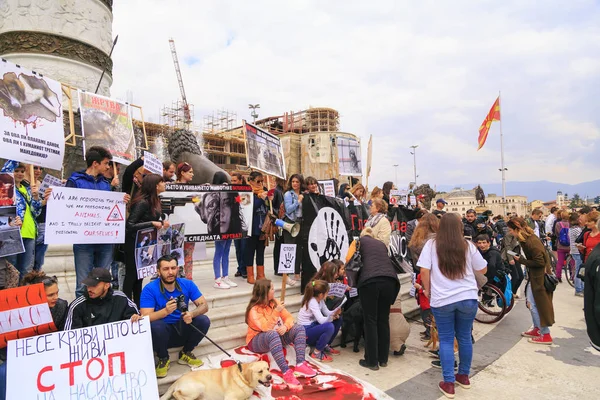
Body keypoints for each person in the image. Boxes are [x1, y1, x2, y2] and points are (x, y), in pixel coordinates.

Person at [417, 213, 487, 398]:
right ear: (459, 227)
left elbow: (424, 270)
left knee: (446, 340)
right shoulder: (468, 246)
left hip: (442, 299)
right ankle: (463, 376)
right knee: (464, 337)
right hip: (468, 298)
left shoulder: (432, 245)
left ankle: (448, 383)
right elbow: (483, 268)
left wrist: (427, 290)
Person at [65, 146, 129, 297]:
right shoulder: (75, 181)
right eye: (106, 163)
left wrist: (120, 201)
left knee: (104, 280)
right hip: (84, 240)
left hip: (105, 240)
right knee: (83, 283)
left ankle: (103, 314)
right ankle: (81, 316)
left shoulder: (105, 184)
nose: (108, 167)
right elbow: (67, 208)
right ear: (95, 163)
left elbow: (108, 208)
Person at [140, 255, 211, 378]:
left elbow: (204, 305)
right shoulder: (149, 289)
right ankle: (163, 358)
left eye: (173, 268)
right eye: (166, 269)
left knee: (203, 320)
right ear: (158, 271)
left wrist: (192, 313)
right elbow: (145, 317)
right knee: (156, 326)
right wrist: (165, 311)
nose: (170, 272)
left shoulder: (187, 284)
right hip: (162, 334)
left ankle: (186, 352)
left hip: (182, 327)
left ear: (178, 269)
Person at [347, 227, 400, 371]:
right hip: (390, 281)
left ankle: (371, 361)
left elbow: (348, 260)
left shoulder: (358, 242)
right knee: (383, 320)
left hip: (370, 281)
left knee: (370, 320)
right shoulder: (381, 244)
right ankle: (383, 359)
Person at [245, 279, 316, 387]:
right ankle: (286, 372)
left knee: (299, 328)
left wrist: (285, 326)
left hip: (275, 335)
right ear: (265, 292)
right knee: (272, 334)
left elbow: (289, 317)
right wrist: (276, 311)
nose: (274, 290)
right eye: (272, 289)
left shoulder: (274, 302)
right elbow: (266, 328)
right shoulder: (254, 310)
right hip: (256, 340)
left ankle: (301, 363)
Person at [508, 218, 555, 345]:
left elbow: (540, 262)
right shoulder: (528, 239)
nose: (510, 232)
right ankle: (538, 328)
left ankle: (545, 333)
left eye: (511, 230)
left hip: (539, 278)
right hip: (535, 276)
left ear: (518, 229)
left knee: (535, 304)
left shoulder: (531, 242)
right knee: (532, 302)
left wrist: (522, 261)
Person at [124, 173, 168, 306]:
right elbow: (130, 225)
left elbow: (151, 219)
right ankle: (125, 304)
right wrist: (152, 224)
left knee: (140, 276)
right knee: (131, 276)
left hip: (144, 243)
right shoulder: (142, 203)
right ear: (155, 185)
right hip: (133, 243)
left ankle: (138, 303)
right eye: (162, 182)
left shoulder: (155, 201)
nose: (165, 184)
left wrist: (161, 222)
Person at [1, 161, 41, 279]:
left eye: (22, 171)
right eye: (16, 171)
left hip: (30, 233)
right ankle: (10, 296)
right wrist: (18, 156)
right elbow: (4, 172)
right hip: (13, 233)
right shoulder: (6, 187)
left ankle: (24, 296)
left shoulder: (27, 189)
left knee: (27, 271)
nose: (19, 174)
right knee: (12, 270)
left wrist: (35, 197)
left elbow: (36, 212)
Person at [64, 268, 140, 330]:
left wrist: (135, 318)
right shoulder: (77, 306)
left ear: (106, 286)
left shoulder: (121, 299)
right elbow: (69, 336)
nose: (89, 289)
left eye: (94, 285)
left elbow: (137, 320)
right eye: (88, 285)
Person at [297, 280, 341, 362]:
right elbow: (321, 320)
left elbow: (327, 312)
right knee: (329, 326)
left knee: (338, 320)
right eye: (327, 292)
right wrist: (331, 317)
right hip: (305, 330)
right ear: (321, 294)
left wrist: (335, 312)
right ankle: (316, 353)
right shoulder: (312, 302)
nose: (328, 294)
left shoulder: (320, 300)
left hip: (313, 325)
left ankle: (326, 345)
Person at [245, 171, 272, 284]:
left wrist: (270, 199)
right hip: (251, 226)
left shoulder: (265, 190)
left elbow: (270, 207)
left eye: (262, 181)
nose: (260, 183)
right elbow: (248, 207)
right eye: (258, 181)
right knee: (250, 251)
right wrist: (260, 198)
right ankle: (250, 275)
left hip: (263, 227)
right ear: (251, 181)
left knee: (261, 251)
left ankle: (261, 274)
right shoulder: (246, 191)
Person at [282, 174, 304, 286]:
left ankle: (296, 273)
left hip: (301, 222)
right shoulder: (288, 194)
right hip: (290, 222)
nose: (295, 184)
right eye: (293, 182)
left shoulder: (303, 193)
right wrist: (298, 201)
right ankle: (285, 275)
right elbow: (289, 209)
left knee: (299, 249)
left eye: (297, 182)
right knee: (289, 248)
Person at [176, 162, 196, 280]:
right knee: (176, 255)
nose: (192, 174)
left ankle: (189, 280)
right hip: (176, 228)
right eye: (190, 172)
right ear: (182, 173)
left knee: (189, 256)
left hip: (190, 228)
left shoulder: (192, 189)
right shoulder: (170, 187)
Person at [231, 173, 249, 279]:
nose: (233, 183)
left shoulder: (246, 190)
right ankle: (240, 268)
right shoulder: (230, 191)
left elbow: (245, 201)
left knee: (244, 247)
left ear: (240, 180)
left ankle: (244, 269)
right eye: (232, 181)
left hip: (244, 223)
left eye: (235, 181)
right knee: (238, 247)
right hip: (234, 224)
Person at [272, 178, 286, 277]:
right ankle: (277, 268)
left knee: (283, 244)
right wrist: (279, 213)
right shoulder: (276, 191)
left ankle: (282, 267)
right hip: (279, 220)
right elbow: (271, 206)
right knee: (279, 244)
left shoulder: (285, 191)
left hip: (285, 220)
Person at [569, 212, 584, 296]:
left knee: (579, 269)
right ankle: (578, 289)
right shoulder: (577, 229)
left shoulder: (571, 229)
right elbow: (580, 239)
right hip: (577, 251)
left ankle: (580, 288)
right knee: (579, 270)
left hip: (574, 251)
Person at [554, 210, 571, 282]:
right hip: (569, 246)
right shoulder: (570, 224)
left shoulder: (558, 224)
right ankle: (572, 276)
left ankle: (558, 276)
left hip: (560, 245)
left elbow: (557, 234)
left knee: (560, 262)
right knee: (571, 261)